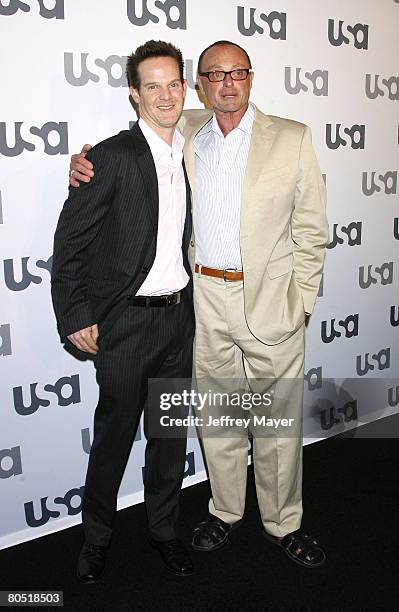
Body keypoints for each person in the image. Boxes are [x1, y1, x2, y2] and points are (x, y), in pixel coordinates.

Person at [69, 40, 329, 569]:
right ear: (201, 86)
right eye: (214, 75)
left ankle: (283, 523)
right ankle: (226, 511)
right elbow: (150, 121)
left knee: (276, 422)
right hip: (202, 302)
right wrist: (84, 160)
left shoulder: (292, 137)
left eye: (237, 73)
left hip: (269, 302)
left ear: (251, 78)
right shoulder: (188, 129)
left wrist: (301, 301)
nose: (227, 84)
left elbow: (312, 229)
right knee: (218, 418)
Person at [51, 40, 195, 582]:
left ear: (186, 87)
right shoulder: (109, 157)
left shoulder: (195, 144)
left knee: (168, 439)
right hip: (126, 324)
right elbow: (69, 246)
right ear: (134, 94)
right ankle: (95, 541)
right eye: (151, 86)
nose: (165, 95)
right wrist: (74, 315)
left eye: (173, 84)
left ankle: (164, 531)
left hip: (179, 322)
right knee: (112, 441)